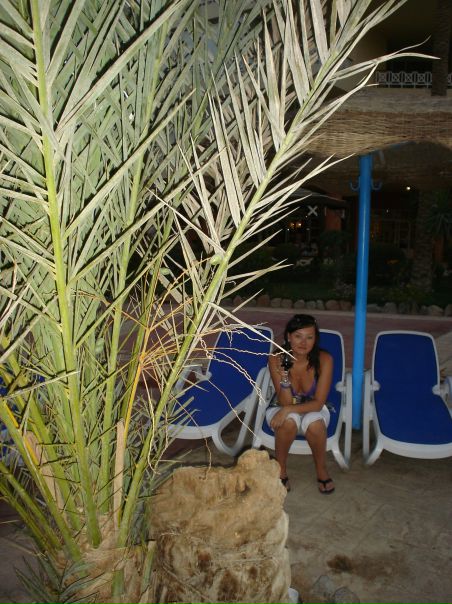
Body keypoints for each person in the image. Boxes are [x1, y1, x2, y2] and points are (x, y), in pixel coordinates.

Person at [267, 314, 335, 494]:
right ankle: (281, 470)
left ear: (315, 339)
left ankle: (321, 470)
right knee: (288, 420)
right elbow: (284, 402)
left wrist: (287, 410)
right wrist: (284, 377)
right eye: (298, 336)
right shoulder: (276, 358)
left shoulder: (324, 360)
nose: (303, 343)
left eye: (309, 337)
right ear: (289, 337)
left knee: (314, 422)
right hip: (280, 405)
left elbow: (318, 404)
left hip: (313, 407)